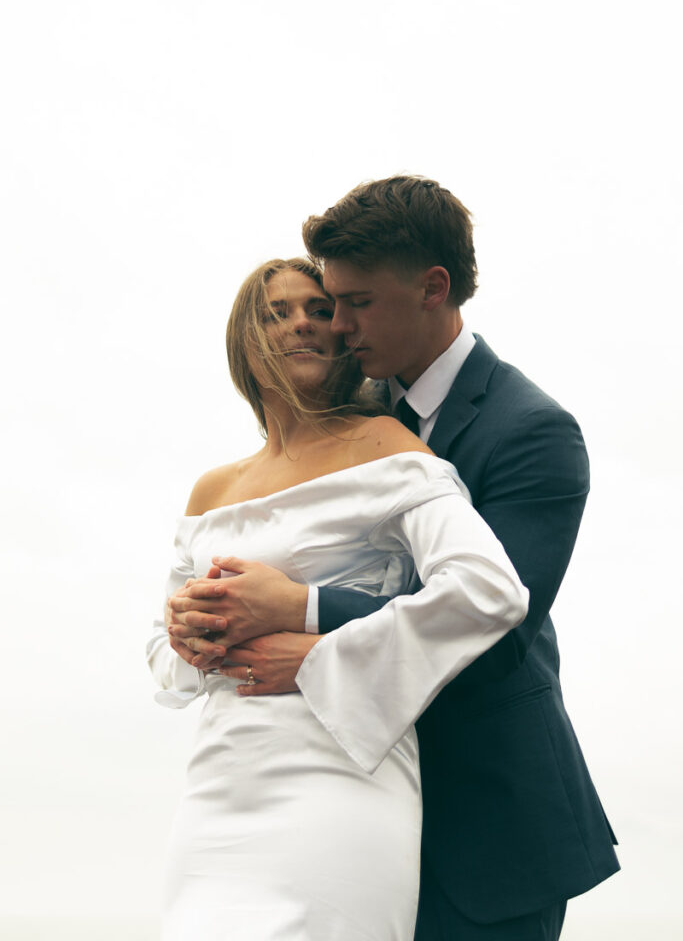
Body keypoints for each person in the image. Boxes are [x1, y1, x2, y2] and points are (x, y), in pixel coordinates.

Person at [169, 178, 620, 941]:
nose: (336, 326)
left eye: (355, 303)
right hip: (324, 796)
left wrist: (304, 617)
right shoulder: (351, 416)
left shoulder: (531, 431)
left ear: (432, 289)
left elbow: (498, 626)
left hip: (482, 817)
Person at [148, 257, 529, 941]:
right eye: (275, 311)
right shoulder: (211, 490)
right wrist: (184, 635)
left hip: (339, 778)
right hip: (218, 788)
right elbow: (165, 661)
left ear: (342, 335)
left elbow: (486, 590)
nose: (300, 322)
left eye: (318, 310)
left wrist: (312, 634)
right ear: (244, 338)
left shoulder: (383, 446)